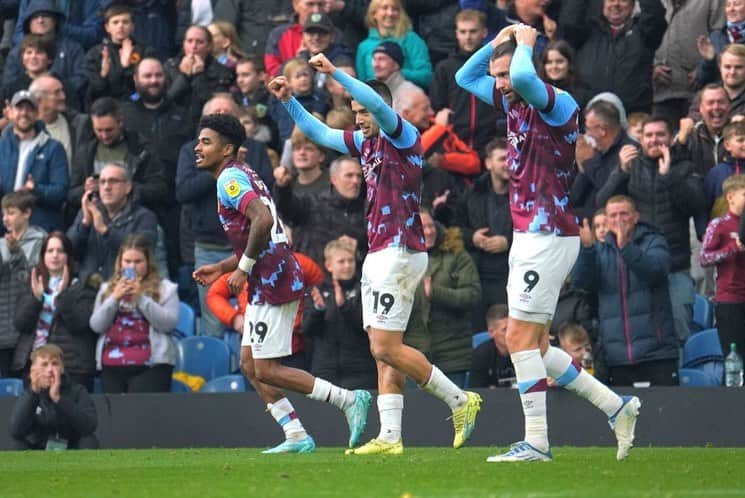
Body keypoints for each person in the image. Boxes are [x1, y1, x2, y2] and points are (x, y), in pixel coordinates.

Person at [269, 52, 482, 455]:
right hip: (382, 250)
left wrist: (335, 73)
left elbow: (379, 107)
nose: (359, 119)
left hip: (400, 250)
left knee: (385, 347)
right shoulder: (363, 143)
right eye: (355, 113)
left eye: (364, 112)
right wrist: (287, 101)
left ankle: (460, 400)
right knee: (384, 348)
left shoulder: (402, 135)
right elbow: (318, 131)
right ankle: (390, 436)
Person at [456, 24, 639, 462]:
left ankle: (537, 441)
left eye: (504, 74)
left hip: (549, 234)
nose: (499, 83)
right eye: (497, 76)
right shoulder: (511, 98)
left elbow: (521, 77)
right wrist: (499, 40)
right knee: (536, 346)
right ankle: (617, 408)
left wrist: (525, 42)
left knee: (517, 338)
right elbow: (465, 77)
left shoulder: (558, 103)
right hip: (529, 236)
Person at [191, 113, 371, 454]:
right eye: (199, 141)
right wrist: (223, 265)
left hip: (272, 279)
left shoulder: (230, 179)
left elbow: (264, 219)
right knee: (249, 363)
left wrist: (241, 269)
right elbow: (264, 234)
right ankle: (295, 434)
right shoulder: (242, 174)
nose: (197, 148)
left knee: (266, 368)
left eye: (206, 142)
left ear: (227, 149)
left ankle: (348, 400)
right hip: (270, 274)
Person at [597, 116, 706, 347]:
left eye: (660, 134)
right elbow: (602, 202)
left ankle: (681, 382)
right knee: (643, 335)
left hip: (676, 268)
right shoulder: (632, 167)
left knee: (680, 331)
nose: (654, 140)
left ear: (670, 138)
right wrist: (621, 172)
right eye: (648, 135)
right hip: (638, 266)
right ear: (640, 140)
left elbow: (696, 205)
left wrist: (668, 178)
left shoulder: (684, 167)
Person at [573, 195, 680, 386]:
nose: (619, 219)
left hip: (656, 354)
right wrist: (587, 248)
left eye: (624, 214)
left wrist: (626, 247)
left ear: (636, 217)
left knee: (664, 415)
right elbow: (582, 283)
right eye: (613, 215)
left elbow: (655, 271)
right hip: (617, 358)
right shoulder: (599, 250)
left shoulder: (654, 241)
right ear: (606, 220)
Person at [89, 234, 178, 393]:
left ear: (148, 262)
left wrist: (141, 299)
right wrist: (114, 299)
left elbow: (169, 324)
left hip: (152, 365)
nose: (132, 267)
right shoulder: (106, 289)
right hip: (112, 363)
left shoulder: (166, 289)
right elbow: (96, 325)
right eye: (127, 261)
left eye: (138, 261)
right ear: (120, 262)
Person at [404, 208, 481, 388]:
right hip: (414, 353)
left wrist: (436, 293)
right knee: (416, 413)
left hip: (452, 354)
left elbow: (473, 294)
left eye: (431, 226)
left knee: (455, 411)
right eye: (423, 227)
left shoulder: (456, 254)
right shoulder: (401, 259)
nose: (429, 231)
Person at [13, 232, 98, 392]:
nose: (55, 255)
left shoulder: (83, 284)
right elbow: (20, 323)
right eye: (50, 251)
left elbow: (79, 324)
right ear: (43, 255)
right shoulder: (32, 283)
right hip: (36, 362)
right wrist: (36, 299)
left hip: (72, 366)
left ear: (69, 255)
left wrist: (63, 295)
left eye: (60, 251)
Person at [561, 0, 667, 114]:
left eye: (623, 0)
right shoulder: (587, 32)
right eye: (610, 0)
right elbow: (570, 20)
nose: (616, 4)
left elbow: (655, 15)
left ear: (632, 5)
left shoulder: (644, 33)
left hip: (633, 119)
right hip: (589, 117)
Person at [453, 138, 512, 332]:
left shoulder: (524, 194)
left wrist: (508, 241)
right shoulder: (472, 194)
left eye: (511, 158)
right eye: (502, 159)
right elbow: (453, 229)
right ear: (488, 163)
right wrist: (473, 238)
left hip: (510, 275)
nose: (508, 163)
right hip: (477, 277)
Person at [304, 238, 376, 389]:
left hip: (361, 374)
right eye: (341, 261)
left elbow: (368, 327)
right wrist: (318, 310)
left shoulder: (365, 289)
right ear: (329, 265)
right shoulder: (318, 291)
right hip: (325, 375)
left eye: (351, 261)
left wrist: (345, 307)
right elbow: (308, 330)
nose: (348, 265)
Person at [430, 9, 503, 157]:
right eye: (463, 32)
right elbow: (437, 105)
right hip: (455, 141)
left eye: (473, 31)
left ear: (484, 32)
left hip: (491, 140)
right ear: (456, 33)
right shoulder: (445, 67)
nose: (468, 37)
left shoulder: (497, 63)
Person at [66, 163, 158, 280]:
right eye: (102, 182)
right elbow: (69, 250)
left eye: (113, 181)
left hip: (125, 287)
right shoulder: (88, 212)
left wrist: (105, 231)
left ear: (128, 187)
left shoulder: (144, 217)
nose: (107, 187)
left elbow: (141, 252)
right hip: (86, 289)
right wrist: (85, 223)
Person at [273, 155, 366, 268]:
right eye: (349, 176)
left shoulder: (369, 211)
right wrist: (282, 187)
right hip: (312, 280)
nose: (355, 181)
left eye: (359, 176)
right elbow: (285, 208)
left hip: (355, 281)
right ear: (333, 179)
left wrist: (360, 244)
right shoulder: (310, 204)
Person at [0, 90, 69, 232]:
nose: (24, 113)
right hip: (5, 229)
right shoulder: (2, 147)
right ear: (10, 112)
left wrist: (35, 189)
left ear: (37, 114)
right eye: (19, 108)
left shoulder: (53, 148)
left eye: (29, 109)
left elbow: (60, 192)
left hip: (40, 229)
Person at [8, 344, 98, 450]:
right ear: (33, 370)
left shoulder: (78, 391)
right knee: (17, 445)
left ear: (62, 368)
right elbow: (16, 431)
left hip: (71, 449)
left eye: (55, 364)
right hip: (38, 451)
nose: (50, 369)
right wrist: (34, 393)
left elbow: (89, 426)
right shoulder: (28, 394)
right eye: (44, 364)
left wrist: (58, 399)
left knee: (89, 441)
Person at [0, 191, 47, 377]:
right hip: (4, 323)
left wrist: (16, 253)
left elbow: (31, 277)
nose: (5, 219)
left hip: (28, 323)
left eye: (11, 213)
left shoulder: (41, 240)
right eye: (3, 214)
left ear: (26, 213)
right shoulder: (2, 243)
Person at [700, 174, 745, 359]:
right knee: (733, 356)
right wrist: (732, 248)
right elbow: (704, 258)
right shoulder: (719, 225)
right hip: (731, 299)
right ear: (730, 197)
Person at [82, 3, 155, 106]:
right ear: (107, 27)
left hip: (136, 107)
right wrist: (103, 75)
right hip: (106, 109)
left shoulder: (145, 52)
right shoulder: (95, 54)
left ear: (132, 26)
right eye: (115, 22)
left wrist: (127, 68)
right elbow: (92, 94)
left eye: (125, 22)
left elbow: (142, 90)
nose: (120, 26)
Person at [355, 0, 432, 89]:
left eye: (395, 9)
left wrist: (397, 73)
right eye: (385, 8)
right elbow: (362, 84)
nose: (390, 13)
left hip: (407, 96)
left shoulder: (411, 39)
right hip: (376, 99)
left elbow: (427, 76)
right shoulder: (364, 47)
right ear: (374, 14)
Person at [469, 304, 515, 389]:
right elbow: (476, 392)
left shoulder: (525, 349)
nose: (511, 333)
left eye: (513, 328)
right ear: (491, 332)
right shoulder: (481, 355)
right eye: (505, 329)